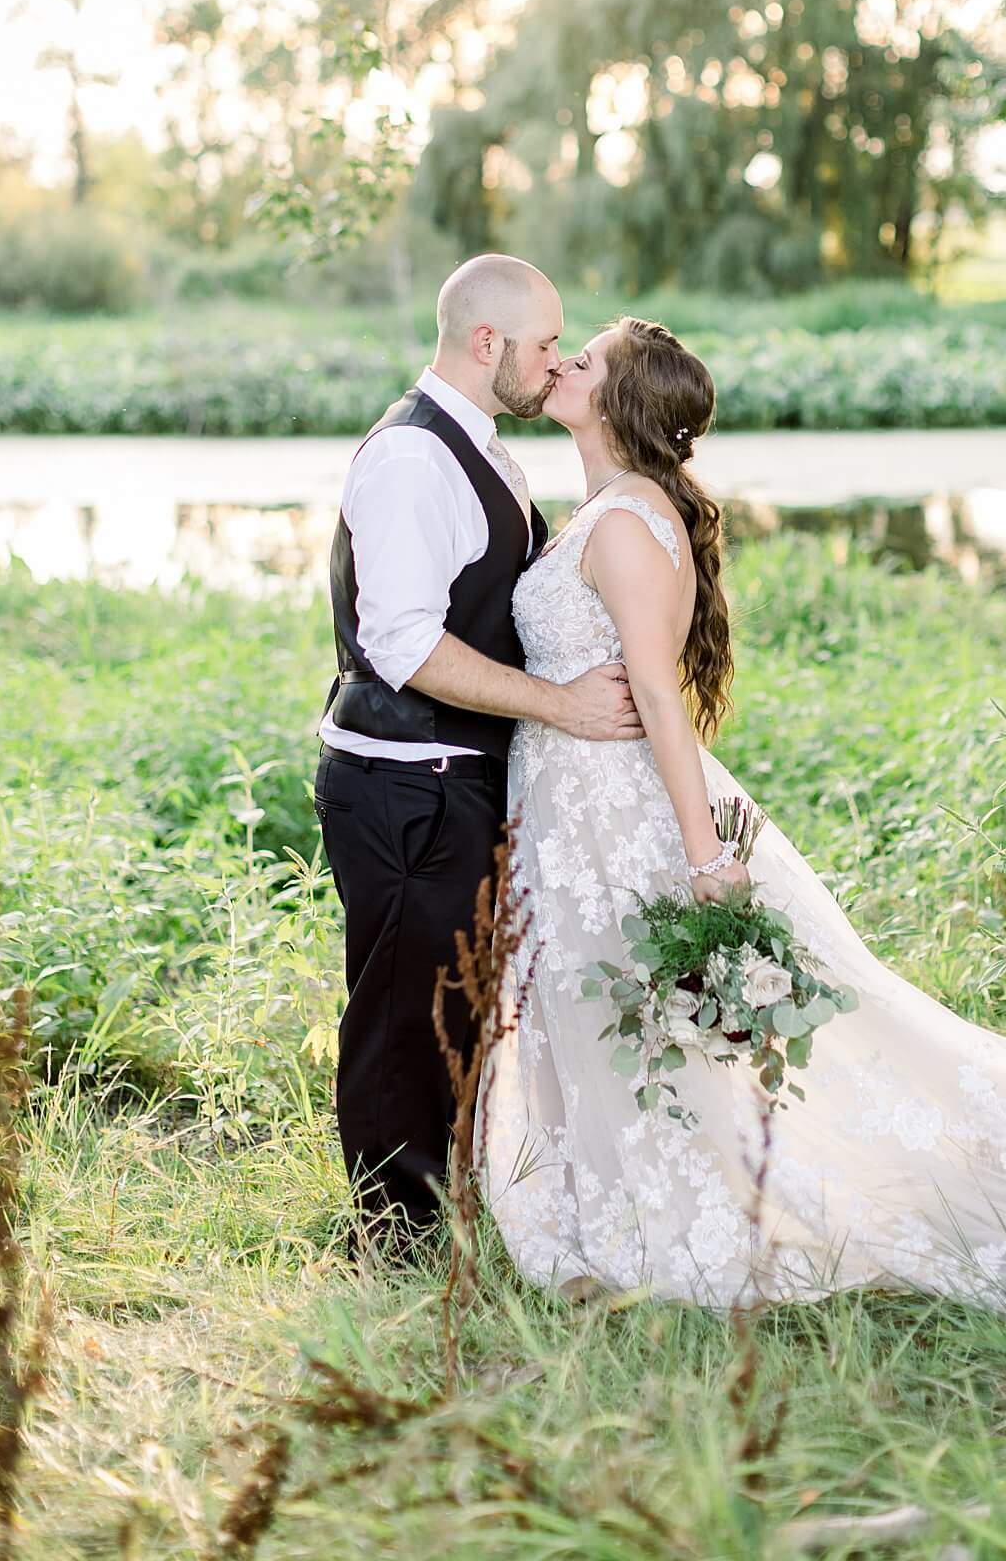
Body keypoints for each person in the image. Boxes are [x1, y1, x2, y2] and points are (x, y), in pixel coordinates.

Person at [475, 316, 1006, 1329]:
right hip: (574, 815)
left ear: (619, 402)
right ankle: (628, 1199)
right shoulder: (601, 510)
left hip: (621, 814)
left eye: (589, 357)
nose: (565, 362)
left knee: (656, 1012)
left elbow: (659, 699)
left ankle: (702, 1213)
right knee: (625, 1012)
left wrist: (702, 853)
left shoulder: (625, 521)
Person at [314, 255, 642, 1259]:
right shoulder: (415, 460)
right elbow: (403, 642)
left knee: (450, 1001)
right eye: (545, 344)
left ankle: (445, 1207)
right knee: (403, 1014)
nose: (556, 362)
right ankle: (395, 1238)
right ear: (486, 342)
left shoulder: (481, 443)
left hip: (451, 778)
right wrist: (560, 706)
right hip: (406, 784)